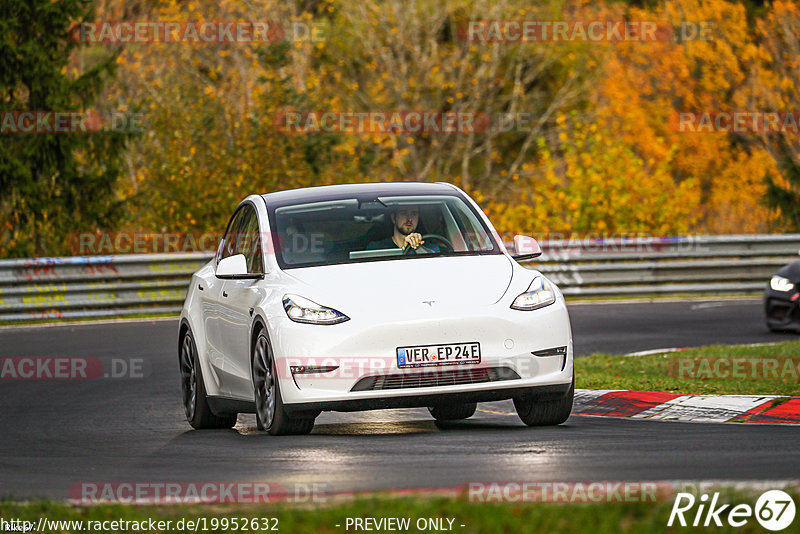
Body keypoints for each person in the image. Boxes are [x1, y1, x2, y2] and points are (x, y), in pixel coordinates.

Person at [367, 205, 438, 253]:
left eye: (414, 214)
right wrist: (404, 250)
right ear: (393, 218)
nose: (409, 219)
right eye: (403, 213)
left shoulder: (430, 249)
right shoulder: (376, 249)